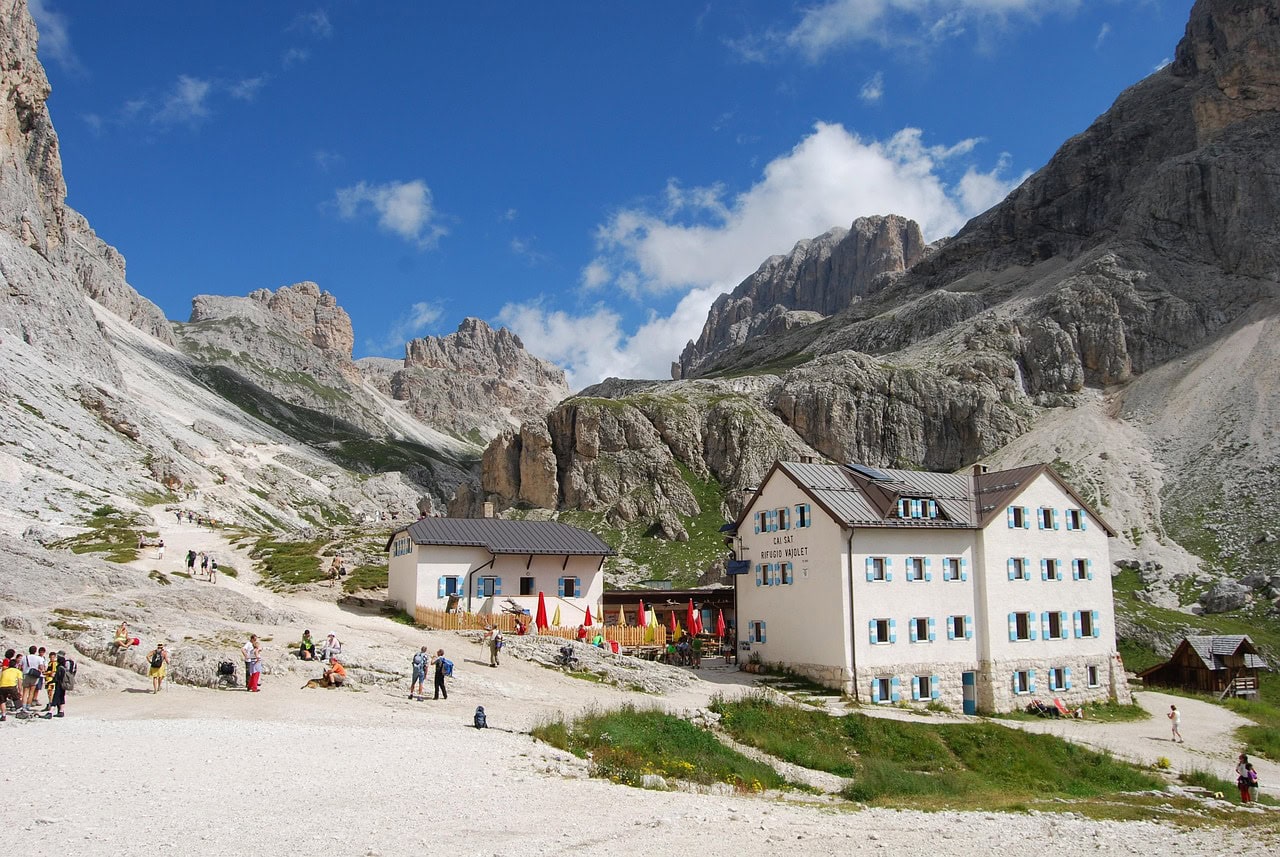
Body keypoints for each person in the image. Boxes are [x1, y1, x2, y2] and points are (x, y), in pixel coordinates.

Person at [0, 650, 21, 721]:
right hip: (11, 686)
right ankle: (19, 712)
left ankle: (3, 715)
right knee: (16, 698)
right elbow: (19, 682)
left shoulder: (4, 671)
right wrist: (20, 691)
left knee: (2, 701)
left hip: (2, 686)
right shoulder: (17, 671)